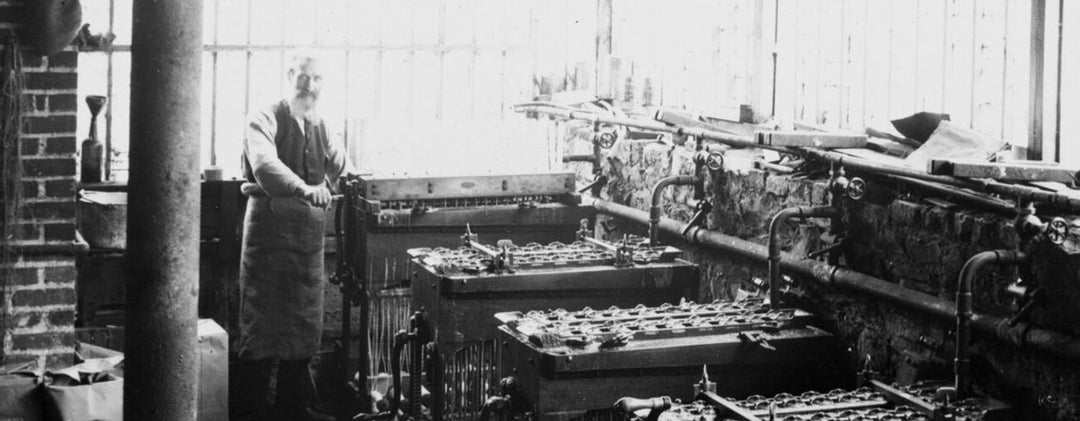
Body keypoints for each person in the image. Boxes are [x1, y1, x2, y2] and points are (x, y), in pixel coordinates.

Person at [233, 52, 351, 421]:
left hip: (307, 241)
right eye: (304, 78)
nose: (310, 86)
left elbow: (343, 166)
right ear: (290, 76)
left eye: (317, 79)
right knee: (261, 324)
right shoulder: (264, 117)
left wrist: (355, 182)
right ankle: (249, 411)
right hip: (267, 237)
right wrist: (304, 189)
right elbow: (265, 166)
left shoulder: (322, 125)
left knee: (303, 324)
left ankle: (292, 408)